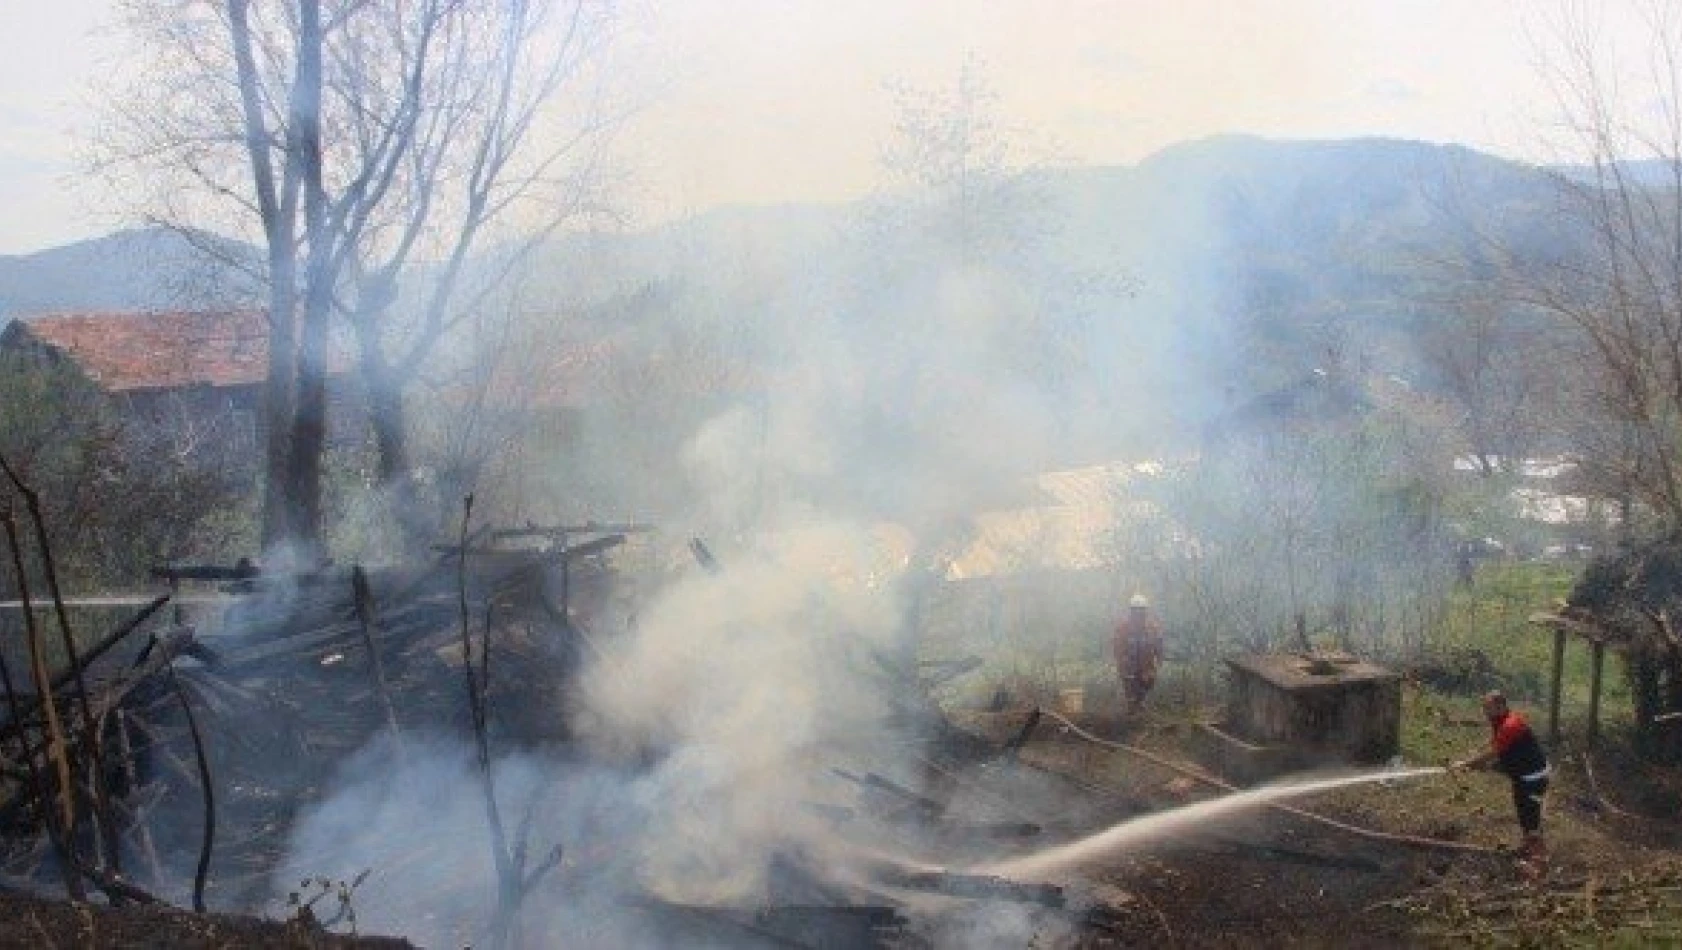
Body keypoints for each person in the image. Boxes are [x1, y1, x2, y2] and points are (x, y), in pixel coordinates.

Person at [1450, 691, 1551, 875]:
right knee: (1524, 814)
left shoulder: (1510, 725)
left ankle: (1539, 865)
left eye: (1488, 708)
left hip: (1532, 777)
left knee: (1530, 819)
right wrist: (1475, 761)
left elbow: (1492, 753)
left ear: (1501, 706)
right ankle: (1528, 849)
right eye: (1484, 707)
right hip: (1522, 774)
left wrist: (1467, 764)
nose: (1485, 712)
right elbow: (1495, 746)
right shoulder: (1501, 721)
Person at [1113, 593, 1164, 715]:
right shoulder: (1123, 628)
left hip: (1146, 665)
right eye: (1136, 611)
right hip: (1129, 666)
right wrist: (1121, 662)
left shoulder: (1152, 627)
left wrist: (1159, 658)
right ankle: (1132, 713)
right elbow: (1117, 646)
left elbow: (1159, 644)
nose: (1139, 614)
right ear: (1131, 611)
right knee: (1131, 691)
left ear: (1145, 611)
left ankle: (1140, 705)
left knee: (1147, 685)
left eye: (1141, 611)